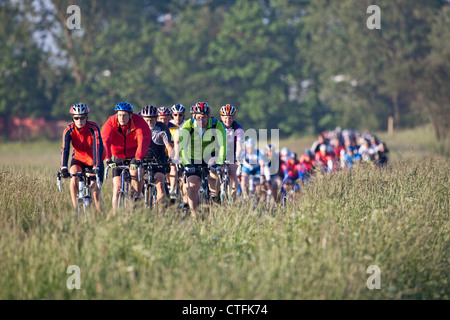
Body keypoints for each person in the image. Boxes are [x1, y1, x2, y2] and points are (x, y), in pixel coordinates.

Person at [101, 102, 151, 213]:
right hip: (118, 156)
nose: (122, 118)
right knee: (117, 189)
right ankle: (115, 216)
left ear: (130, 115)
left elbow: (143, 140)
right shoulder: (111, 122)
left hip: (134, 155)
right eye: (119, 115)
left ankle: (137, 198)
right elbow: (105, 139)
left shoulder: (139, 122)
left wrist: (138, 159)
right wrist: (108, 158)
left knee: (134, 172)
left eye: (124, 115)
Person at [178, 102, 227, 215]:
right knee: (192, 185)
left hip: (211, 155)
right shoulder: (188, 126)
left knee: (214, 176)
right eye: (198, 117)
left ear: (208, 116)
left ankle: (215, 199)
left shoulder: (216, 124)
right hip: (193, 157)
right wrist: (187, 164)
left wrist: (219, 163)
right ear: (194, 116)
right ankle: (195, 215)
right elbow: (182, 147)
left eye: (204, 117)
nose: (201, 120)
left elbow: (223, 145)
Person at [60, 103, 105, 213]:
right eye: (76, 118)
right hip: (79, 159)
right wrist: (63, 168)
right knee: (73, 173)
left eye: (82, 117)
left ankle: (101, 216)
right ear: (73, 118)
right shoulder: (68, 130)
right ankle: (76, 208)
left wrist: (96, 166)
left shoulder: (93, 128)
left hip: (95, 160)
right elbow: (65, 149)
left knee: (95, 193)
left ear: (86, 117)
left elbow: (97, 148)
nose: (79, 121)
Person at [139, 105, 174, 215]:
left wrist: (171, 158)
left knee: (160, 183)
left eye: (152, 120)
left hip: (158, 159)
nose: (150, 123)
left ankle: (161, 214)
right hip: (142, 159)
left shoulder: (162, 127)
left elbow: (169, 146)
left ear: (156, 119)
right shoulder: (138, 128)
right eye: (147, 120)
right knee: (137, 183)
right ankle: (137, 208)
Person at [219, 104, 244, 201]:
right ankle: (219, 194)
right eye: (225, 118)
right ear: (221, 117)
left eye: (230, 118)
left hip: (232, 153)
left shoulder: (238, 128)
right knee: (217, 173)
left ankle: (232, 198)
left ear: (234, 117)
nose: (227, 121)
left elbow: (239, 145)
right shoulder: (218, 125)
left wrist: (237, 158)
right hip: (219, 152)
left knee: (233, 173)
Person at [168, 104, 186, 200]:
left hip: (184, 152)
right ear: (172, 115)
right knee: (172, 166)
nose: (178, 117)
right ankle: (172, 190)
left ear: (184, 116)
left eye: (180, 115)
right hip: (171, 152)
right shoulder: (169, 124)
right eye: (175, 115)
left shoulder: (187, 124)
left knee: (184, 176)